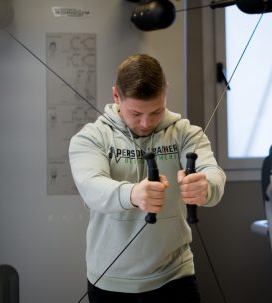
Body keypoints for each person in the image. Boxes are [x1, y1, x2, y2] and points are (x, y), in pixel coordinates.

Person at [69, 53, 226, 303]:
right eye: (135, 113)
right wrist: (132, 194)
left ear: (166, 92)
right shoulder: (91, 138)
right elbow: (91, 187)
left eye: (156, 112)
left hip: (175, 275)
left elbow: (213, 174)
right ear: (116, 96)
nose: (145, 123)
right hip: (111, 279)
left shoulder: (185, 133)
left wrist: (205, 186)